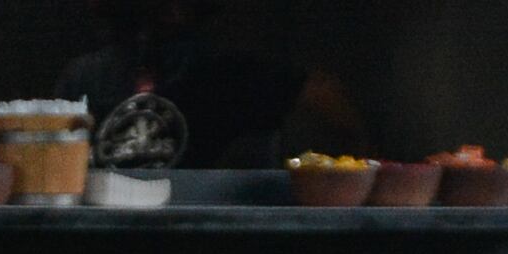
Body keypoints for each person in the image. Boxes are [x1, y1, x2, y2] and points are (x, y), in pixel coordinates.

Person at [57, 1, 363, 172]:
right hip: (111, 233)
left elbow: (324, 94)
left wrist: (360, 160)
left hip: (208, 233)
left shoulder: (228, 74)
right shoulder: (87, 76)